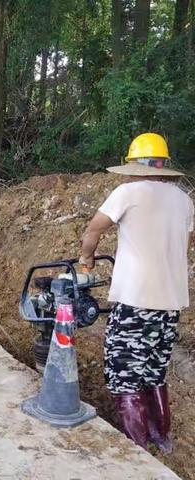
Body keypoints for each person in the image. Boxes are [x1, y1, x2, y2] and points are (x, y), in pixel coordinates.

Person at [80, 133, 194, 452]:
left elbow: (93, 229)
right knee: (153, 370)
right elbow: (185, 244)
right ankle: (161, 435)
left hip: (136, 300)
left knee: (123, 369)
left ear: (136, 166)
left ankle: (137, 445)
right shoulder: (185, 200)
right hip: (170, 303)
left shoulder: (127, 192)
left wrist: (86, 259)